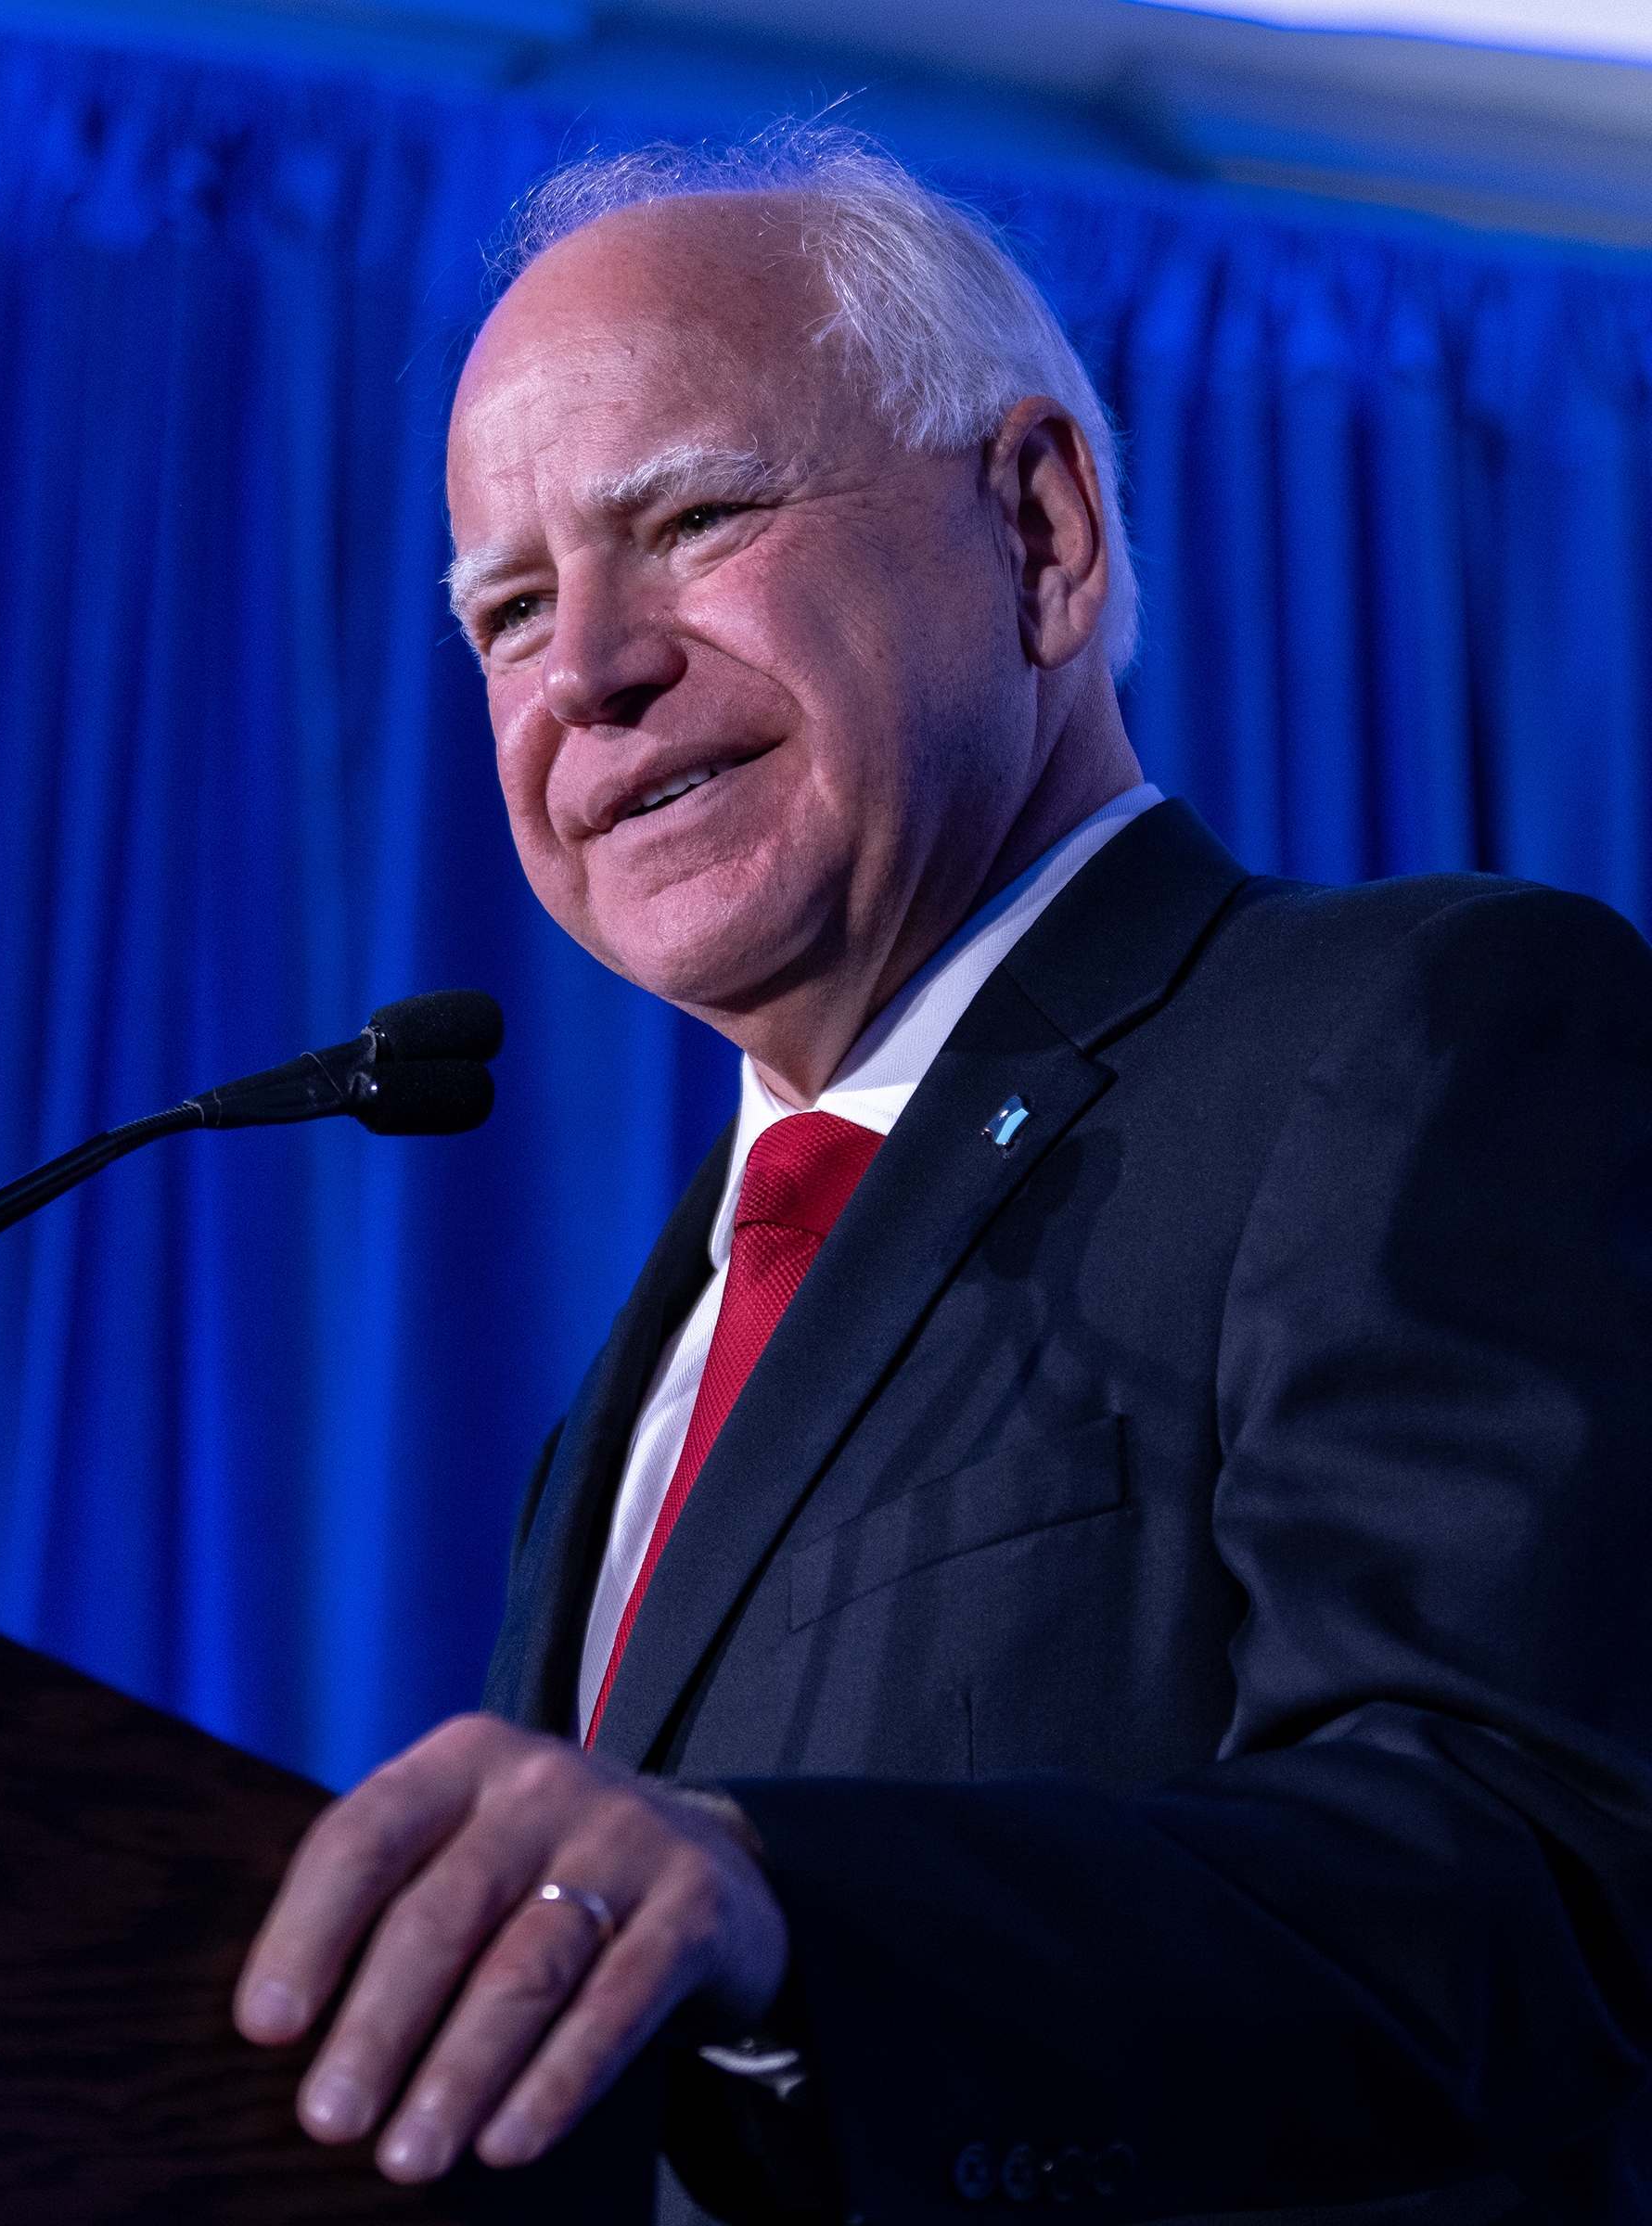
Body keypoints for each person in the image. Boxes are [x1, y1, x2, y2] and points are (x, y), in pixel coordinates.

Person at [233, 126, 1652, 2223]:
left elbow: (1528, 1888)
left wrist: (790, 1897)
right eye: (510, 610)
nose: (588, 674)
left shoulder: (1412, 1034)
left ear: (1041, 530)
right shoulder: (644, 1373)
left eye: (693, 519)